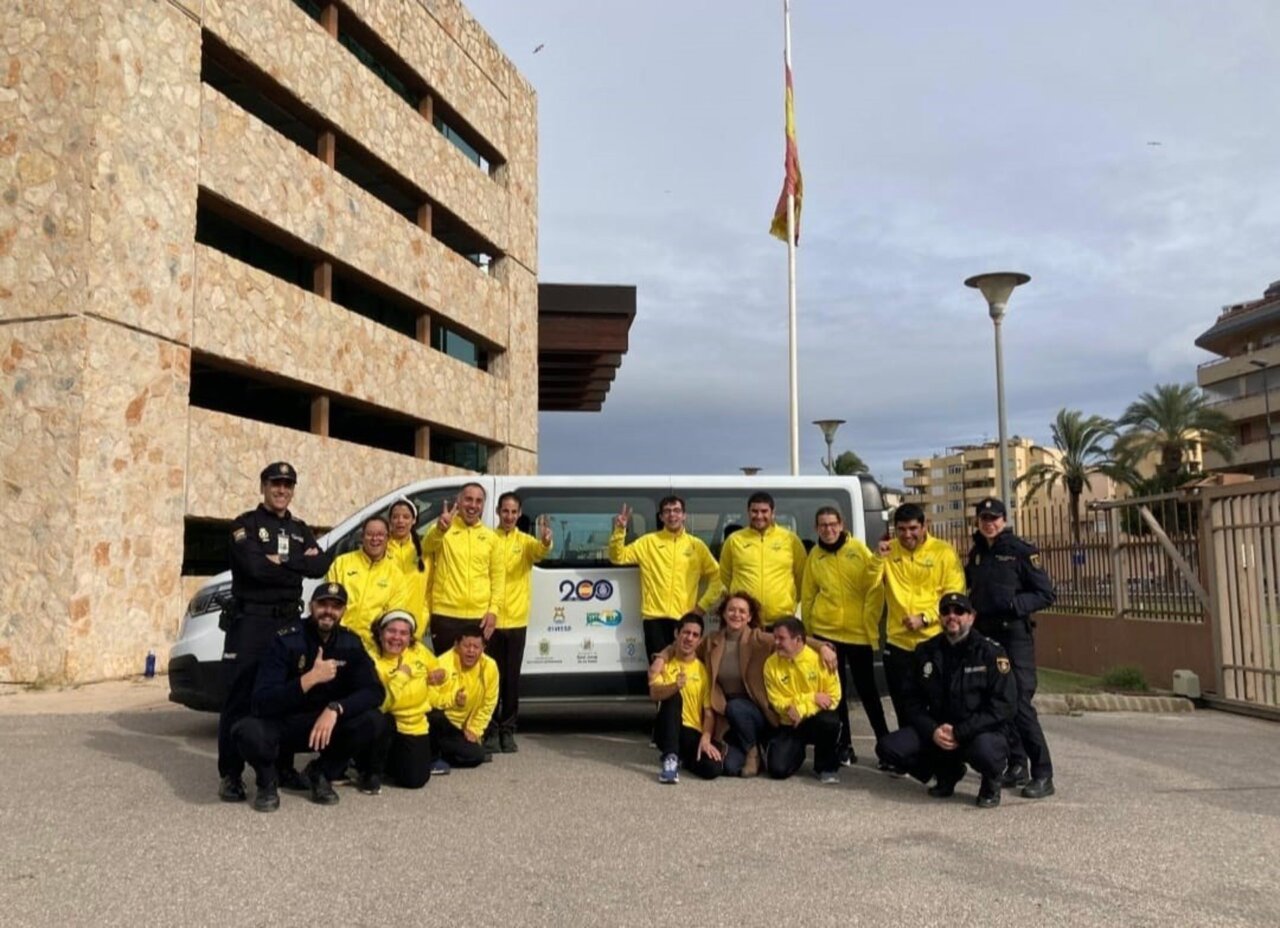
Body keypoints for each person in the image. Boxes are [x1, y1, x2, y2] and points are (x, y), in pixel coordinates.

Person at [218, 461, 333, 803]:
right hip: (251, 622)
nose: (281, 490)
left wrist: (280, 560)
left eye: (287, 485)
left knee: (286, 695)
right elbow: (254, 568)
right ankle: (231, 774)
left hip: (287, 622)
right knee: (240, 698)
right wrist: (297, 563)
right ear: (263, 487)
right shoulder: (245, 525)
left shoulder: (300, 529)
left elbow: (320, 564)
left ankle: (282, 767)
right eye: (275, 483)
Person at [231, 582, 386, 812]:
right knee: (247, 731)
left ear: (344, 611)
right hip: (286, 724)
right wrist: (309, 680)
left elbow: (375, 691)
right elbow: (262, 701)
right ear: (311, 606)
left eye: (336, 606)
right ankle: (267, 780)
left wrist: (336, 708)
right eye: (323, 604)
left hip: (324, 725)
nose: (328, 611)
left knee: (374, 720)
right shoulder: (287, 640)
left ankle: (321, 773)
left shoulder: (350, 643)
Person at [875, 592, 1017, 808]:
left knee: (986, 751)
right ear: (940, 617)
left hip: (977, 732)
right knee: (889, 748)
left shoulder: (990, 653)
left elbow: (1004, 705)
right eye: (946, 611)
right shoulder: (925, 651)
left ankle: (990, 781)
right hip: (940, 732)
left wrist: (961, 732)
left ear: (971, 617)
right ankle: (946, 773)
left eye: (959, 611)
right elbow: (911, 702)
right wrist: (932, 730)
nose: (952, 616)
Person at [965, 497, 1058, 799]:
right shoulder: (977, 554)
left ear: (1004, 520)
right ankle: (1018, 765)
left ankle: (1043, 773)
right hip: (986, 637)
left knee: (1020, 704)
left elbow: (1046, 593)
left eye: (994, 518)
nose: (989, 523)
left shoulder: (1020, 551)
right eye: (984, 518)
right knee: (998, 701)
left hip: (1014, 636)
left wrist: (1015, 605)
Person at [800, 506, 889, 766]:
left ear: (841, 525)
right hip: (826, 633)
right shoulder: (814, 557)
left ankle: (885, 746)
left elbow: (872, 583)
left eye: (832, 524)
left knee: (868, 692)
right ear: (816, 528)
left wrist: (876, 559)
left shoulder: (857, 549)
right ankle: (844, 745)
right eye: (823, 525)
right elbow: (808, 596)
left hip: (858, 633)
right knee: (836, 694)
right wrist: (810, 636)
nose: (828, 529)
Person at [868, 503, 965, 727]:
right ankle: (908, 748)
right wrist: (876, 559)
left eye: (912, 528)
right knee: (904, 709)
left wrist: (925, 618)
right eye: (901, 529)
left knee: (940, 707)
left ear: (924, 526)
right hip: (898, 644)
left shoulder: (943, 551)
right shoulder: (887, 551)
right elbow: (867, 586)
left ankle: (939, 748)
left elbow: (955, 594)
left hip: (934, 641)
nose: (907, 534)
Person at [609, 494, 722, 661]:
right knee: (658, 668)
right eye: (667, 511)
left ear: (684, 515)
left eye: (676, 510)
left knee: (684, 667)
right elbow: (617, 557)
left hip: (684, 618)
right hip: (654, 619)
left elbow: (718, 578)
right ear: (661, 517)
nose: (672, 515)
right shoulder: (648, 542)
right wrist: (620, 530)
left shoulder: (696, 546)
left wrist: (701, 607)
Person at [354, 610, 449, 793]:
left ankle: (393, 762)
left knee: (415, 780)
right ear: (380, 633)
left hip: (415, 722)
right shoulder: (371, 659)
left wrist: (440, 675)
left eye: (404, 633)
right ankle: (368, 769)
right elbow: (382, 703)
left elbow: (437, 668)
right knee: (379, 719)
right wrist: (401, 676)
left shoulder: (418, 650)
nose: (397, 638)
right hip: (389, 721)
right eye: (391, 631)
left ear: (410, 637)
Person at [488, 492, 552, 753]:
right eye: (505, 511)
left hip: (516, 620)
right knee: (491, 678)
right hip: (490, 621)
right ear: (498, 512)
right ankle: (490, 730)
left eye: (514, 512)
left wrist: (546, 541)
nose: (509, 516)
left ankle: (508, 730)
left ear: (519, 514)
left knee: (512, 679)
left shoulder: (525, 541)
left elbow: (539, 552)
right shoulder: (488, 539)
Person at [423, 482, 504, 656]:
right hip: (445, 615)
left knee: (476, 670)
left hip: (479, 618)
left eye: (478, 501)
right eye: (468, 499)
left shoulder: (491, 538)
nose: (473, 505)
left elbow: (498, 578)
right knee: (446, 670)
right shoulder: (442, 529)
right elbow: (426, 547)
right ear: (458, 502)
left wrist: (493, 611)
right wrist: (439, 530)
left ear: (483, 505)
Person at [762, 617, 843, 783]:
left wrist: (802, 708)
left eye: (781, 638)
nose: (776, 643)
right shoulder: (770, 664)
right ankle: (796, 752)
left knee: (830, 721)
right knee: (777, 770)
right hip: (789, 721)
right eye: (775, 638)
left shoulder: (821, 660)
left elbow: (833, 697)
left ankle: (826, 767)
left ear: (798, 640)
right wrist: (812, 697)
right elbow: (776, 700)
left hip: (814, 718)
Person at [648, 614, 723, 784]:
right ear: (677, 634)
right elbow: (654, 693)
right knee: (673, 696)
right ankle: (670, 760)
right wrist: (675, 686)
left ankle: (682, 758)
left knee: (713, 768)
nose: (689, 638)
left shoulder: (703, 671)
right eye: (686, 633)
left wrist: (706, 738)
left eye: (695, 635)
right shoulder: (665, 664)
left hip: (691, 732)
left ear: (699, 640)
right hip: (665, 728)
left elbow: (709, 713)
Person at [718, 491, 807, 627]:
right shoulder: (734, 540)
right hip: (745, 621)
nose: (759, 516)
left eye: (764, 511)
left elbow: (802, 577)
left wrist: (787, 602)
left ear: (773, 512)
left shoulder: (790, 540)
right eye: (754, 511)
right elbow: (725, 576)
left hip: (781, 621)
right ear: (748, 512)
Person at [325, 515, 410, 648]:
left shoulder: (396, 576)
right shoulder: (341, 563)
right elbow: (329, 603)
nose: (375, 539)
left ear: (388, 538)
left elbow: (392, 618)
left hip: (371, 647)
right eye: (370, 534)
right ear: (362, 537)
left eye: (380, 534)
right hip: (336, 640)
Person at [428, 626, 500, 772]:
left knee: (477, 756)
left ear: (483, 648)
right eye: (467, 646)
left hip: (461, 730)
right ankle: (432, 755)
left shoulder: (490, 666)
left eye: (476, 647)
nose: (471, 651)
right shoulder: (441, 664)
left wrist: (474, 729)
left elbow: (489, 702)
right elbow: (429, 699)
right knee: (435, 717)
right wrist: (452, 699)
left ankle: (437, 754)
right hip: (441, 723)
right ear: (457, 645)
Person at [386, 497, 430, 638]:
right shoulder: (381, 549)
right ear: (390, 521)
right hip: (386, 625)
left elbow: (429, 588)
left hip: (414, 626)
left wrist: (423, 618)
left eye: (406, 517)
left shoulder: (424, 550)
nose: (400, 521)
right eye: (395, 517)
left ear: (414, 520)